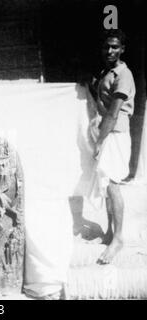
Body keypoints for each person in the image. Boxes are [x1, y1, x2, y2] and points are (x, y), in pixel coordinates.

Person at [89, 29, 135, 264]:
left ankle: (118, 238)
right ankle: (108, 232)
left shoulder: (123, 74)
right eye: (107, 47)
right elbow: (101, 99)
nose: (110, 51)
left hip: (115, 134)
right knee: (106, 185)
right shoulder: (106, 73)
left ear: (122, 49)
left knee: (114, 186)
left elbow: (114, 112)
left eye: (115, 47)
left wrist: (99, 140)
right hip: (107, 132)